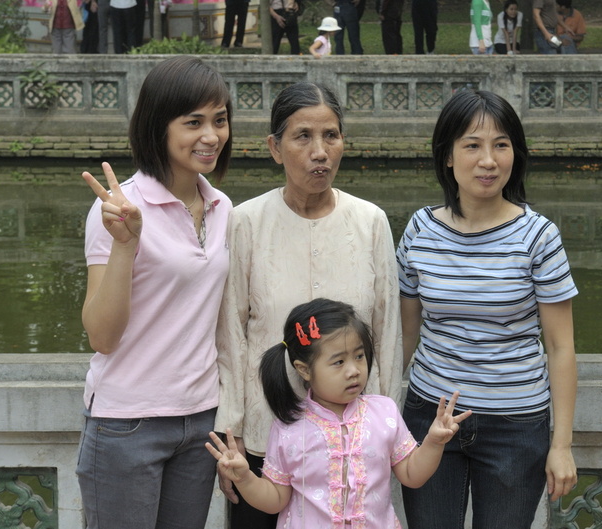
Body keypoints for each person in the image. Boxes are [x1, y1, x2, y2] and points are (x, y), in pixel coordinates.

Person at [215, 81, 404, 529]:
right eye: (303, 137)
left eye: (331, 136)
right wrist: (232, 430)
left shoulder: (370, 222)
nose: (320, 151)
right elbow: (231, 335)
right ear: (275, 148)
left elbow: (388, 333)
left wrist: (386, 430)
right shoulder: (246, 221)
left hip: (353, 444)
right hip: (264, 438)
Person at [397, 89, 579, 528]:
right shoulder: (420, 229)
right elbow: (403, 337)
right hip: (430, 415)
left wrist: (561, 444)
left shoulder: (538, 236)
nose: (488, 160)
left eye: (501, 145)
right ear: (447, 155)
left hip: (516, 425)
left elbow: (560, 347)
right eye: (472, 145)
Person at [75, 56, 234, 529]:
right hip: (128, 423)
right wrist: (126, 246)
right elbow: (101, 337)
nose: (211, 135)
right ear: (157, 126)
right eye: (193, 122)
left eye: (220, 120)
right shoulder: (118, 209)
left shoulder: (223, 207)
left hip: (201, 420)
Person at [206, 298, 471, 527]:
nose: (354, 370)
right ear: (304, 369)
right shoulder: (289, 427)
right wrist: (244, 478)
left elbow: (412, 475)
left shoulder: (384, 412)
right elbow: (276, 498)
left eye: (359, 356)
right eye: (339, 362)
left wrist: (434, 442)